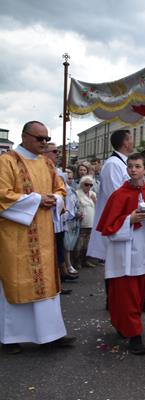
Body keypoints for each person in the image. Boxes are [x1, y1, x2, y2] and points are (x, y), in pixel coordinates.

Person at [0, 121, 76, 354]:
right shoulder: (7, 161)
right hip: (16, 235)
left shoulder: (46, 163)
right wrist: (36, 200)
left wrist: (55, 198)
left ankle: (50, 334)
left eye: (46, 138)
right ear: (24, 136)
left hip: (42, 234)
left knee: (46, 283)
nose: (44, 143)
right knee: (15, 282)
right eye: (39, 138)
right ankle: (10, 337)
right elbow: (2, 195)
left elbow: (61, 188)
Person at [96, 153, 145, 355]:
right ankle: (135, 336)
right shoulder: (119, 195)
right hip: (123, 253)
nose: (133, 170)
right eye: (130, 166)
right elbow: (108, 227)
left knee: (137, 296)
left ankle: (126, 326)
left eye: (137, 166)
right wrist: (130, 219)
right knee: (125, 296)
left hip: (143, 252)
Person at [87, 130, 133, 262]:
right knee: (115, 265)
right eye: (130, 138)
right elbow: (115, 194)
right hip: (116, 219)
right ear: (125, 142)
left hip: (125, 218)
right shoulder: (112, 164)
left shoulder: (123, 163)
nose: (132, 142)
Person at [44, 143, 78, 281]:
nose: (57, 154)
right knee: (52, 250)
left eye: (57, 151)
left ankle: (60, 276)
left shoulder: (56, 170)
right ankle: (56, 277)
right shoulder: (44, 170)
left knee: (59, 248)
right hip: (49, 217)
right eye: (53, 151)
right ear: (44, 153)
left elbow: (65, 190)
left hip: (60, 217)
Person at [74, 175, 96, 268]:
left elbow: (96, 206)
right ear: (82, 184)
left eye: (91, 185)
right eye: (86, 184)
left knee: (88, 243)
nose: (89, 187)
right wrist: (78, 214)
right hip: (82, 222)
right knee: (80, 243)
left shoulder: (93, 194)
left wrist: (94, 201)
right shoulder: (77, 193)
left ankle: (85, 260)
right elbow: (74, 206)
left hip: (91, 221)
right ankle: (77, 261)